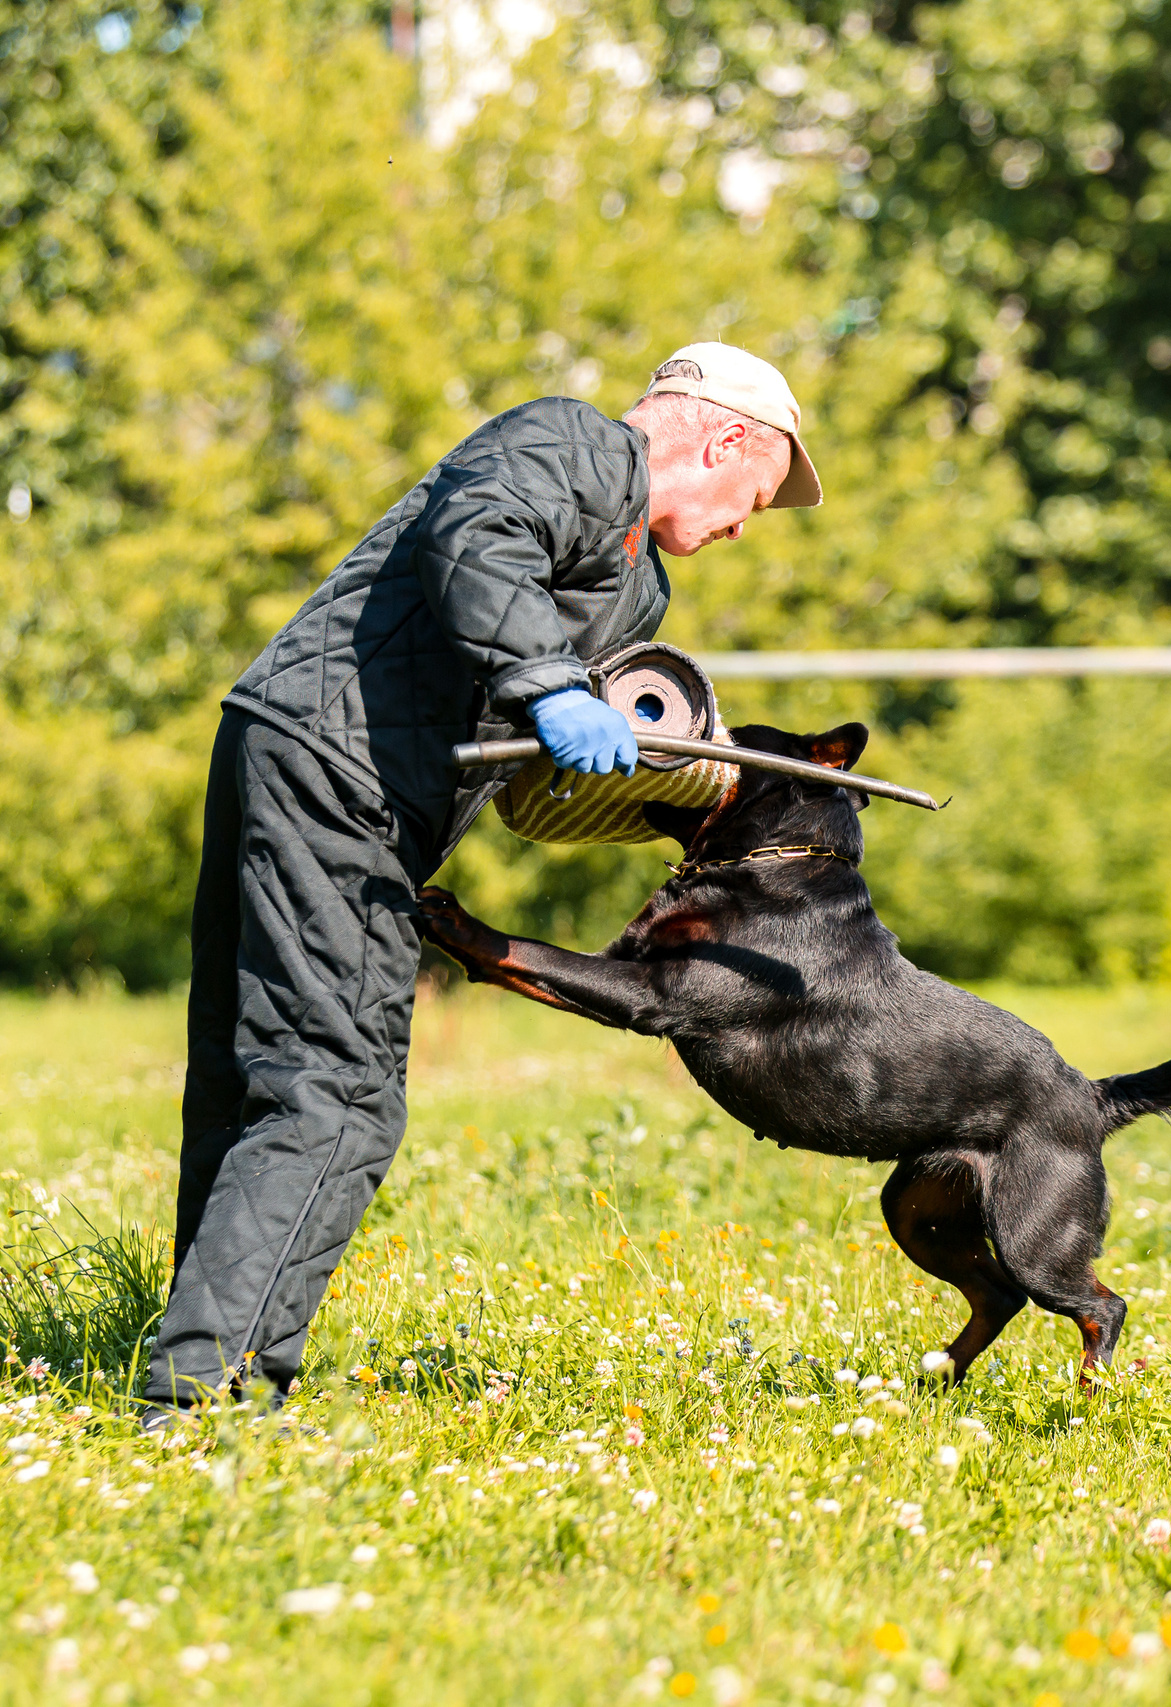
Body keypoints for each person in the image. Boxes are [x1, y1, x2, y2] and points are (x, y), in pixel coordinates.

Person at [141, 342, 822, 1425]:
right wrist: (550, 680)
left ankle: (187, 1360)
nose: (746, 525)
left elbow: (529, 746)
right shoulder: (576, 446)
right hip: (339, 761)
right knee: (339, 1092)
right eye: (754, 498)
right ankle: (206, 1397)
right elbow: (481, 533)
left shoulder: (636, 581)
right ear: (722, 437)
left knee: (255, 1073)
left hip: (309, 750)